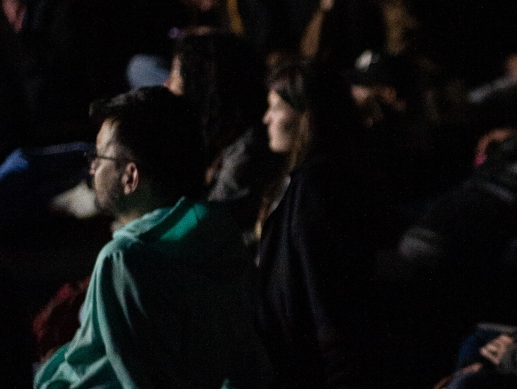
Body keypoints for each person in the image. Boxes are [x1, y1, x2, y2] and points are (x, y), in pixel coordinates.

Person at [34, 87, 270, 389]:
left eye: (98, 156)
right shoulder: (216, 231)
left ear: (130, 177)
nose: (91, 166)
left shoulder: (124, 257)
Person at [255, 61, 397, 388]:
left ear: (307, 115)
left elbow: (326, 295)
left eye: (277, 107)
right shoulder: (308, 180)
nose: (267, 119)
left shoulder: (316, 189)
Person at [164, 33, 282, 233]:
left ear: (203, 82)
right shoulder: (217, 136)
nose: (166, 84)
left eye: (176, 74)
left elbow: (204, 224)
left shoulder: (245, 149)